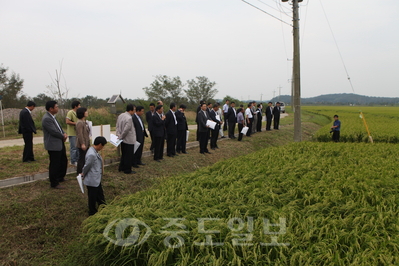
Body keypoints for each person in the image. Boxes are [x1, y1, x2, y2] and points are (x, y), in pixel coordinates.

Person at [42, 100, 68, 189]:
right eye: (56, 107)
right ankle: (54, 182)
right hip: (53, 145)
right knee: (55, 164)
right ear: (51, 108)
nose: (57, 108)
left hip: (59, 143)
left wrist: (64, 133)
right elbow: (53, 131)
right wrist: (62, 136)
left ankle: (60, 177)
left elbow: (59, 128)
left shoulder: (53, 117)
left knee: (63, 160)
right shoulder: (47, 119)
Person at [81, 136, 107, 216]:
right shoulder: (92, 154)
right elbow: (87, 165)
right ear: (99, 144)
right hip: (92, 179)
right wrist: (83, 173)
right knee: (92, 196)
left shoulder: (93, 151)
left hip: (96, 178)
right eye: (103, 146)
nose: (102, 148)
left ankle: (103, 207)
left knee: (99, 194)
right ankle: (92, 211)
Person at [116, 104, 136, 174]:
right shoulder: (129, 118)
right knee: (128, 156)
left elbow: (117, 126)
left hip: (122, 139)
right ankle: (127, 170)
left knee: (124, 154)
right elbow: (126, 129)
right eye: (134, 110)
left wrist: (118, 135)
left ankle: (122, 167)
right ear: (131, 110)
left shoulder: (121, 115)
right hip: (128, 139)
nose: (134, 111)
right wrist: (121, 136)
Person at [75, 107, 90, 175]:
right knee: (82, 158)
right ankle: (79, 172)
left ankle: (83, 172)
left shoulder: (84, 122)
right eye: (85, 111)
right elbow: (79, 134)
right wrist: (82, 143)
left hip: (86, 142)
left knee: (85, 157)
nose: (87, 112)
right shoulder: (79, 123)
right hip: (82, 143)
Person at [66, 100, 81, 166]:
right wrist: (76, 123)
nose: (80, 106)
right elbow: (67, 121)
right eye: (79, 105)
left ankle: (77, 159)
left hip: (78, 132)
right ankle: (73, 161)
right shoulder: (70, 112)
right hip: (72, 133)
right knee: (73, 147)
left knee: (78, 147)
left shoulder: (78, 113)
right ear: (75, 106)